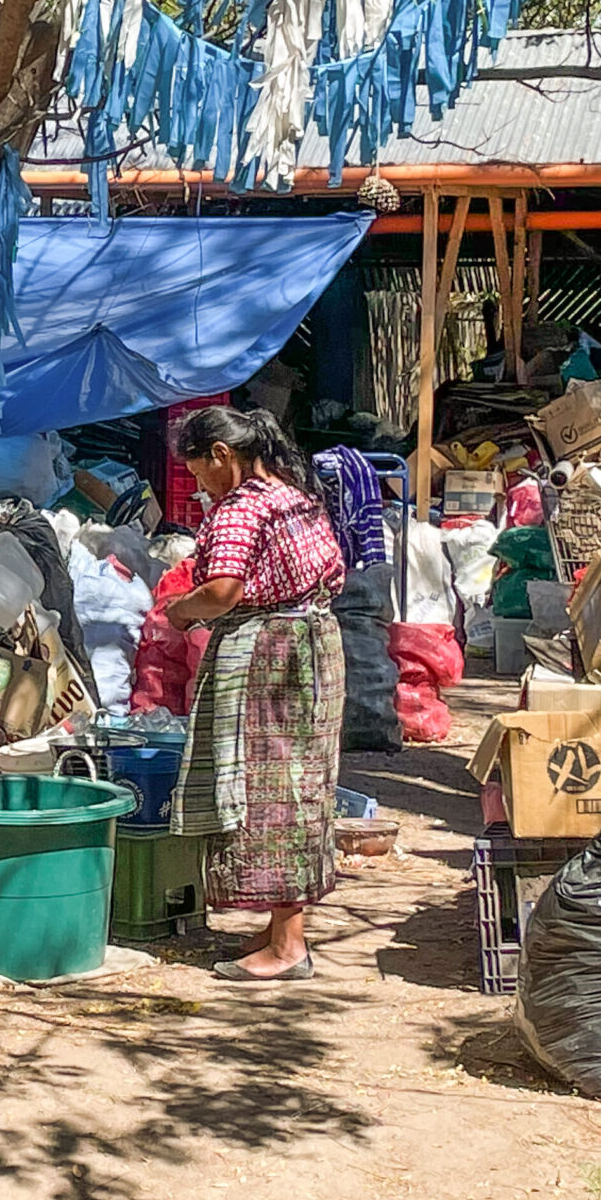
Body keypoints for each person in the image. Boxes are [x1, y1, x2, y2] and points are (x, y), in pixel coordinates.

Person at [163, 405, 348, 981]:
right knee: (303, 785)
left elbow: (223, 589)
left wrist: (181, 612)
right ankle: (281, 926)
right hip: (315, 644)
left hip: (271, 653)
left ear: (222, 454)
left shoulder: (242, 508)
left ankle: (289, 946)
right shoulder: (294, 494)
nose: (199, 487)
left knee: (267, 790)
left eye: (197, 472)